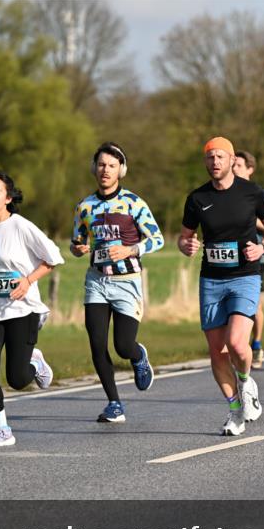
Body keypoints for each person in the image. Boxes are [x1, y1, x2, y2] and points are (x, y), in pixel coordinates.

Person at [180, 137, 264, 435]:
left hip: (245, 276)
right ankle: (235, 411)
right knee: (217, 352)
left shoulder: (253, 193)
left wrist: (263, 249)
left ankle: (247, 382)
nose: (215, 162)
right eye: (210, 158)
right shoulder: (197, 198)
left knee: (237, 343)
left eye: (220, 157)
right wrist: (186, 245)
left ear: (231, 158)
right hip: (211, 280)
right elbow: (184, 236)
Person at [71, 142, 163, 423]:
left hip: (127, 282)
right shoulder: (85, 206)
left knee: (123, 345)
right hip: (96, 282)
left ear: (121, 170)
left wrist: (130, 249)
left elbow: (157, 239)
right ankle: (114, 403)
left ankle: (138, 356)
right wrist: (77, 249)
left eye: (111, 165)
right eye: (101, 165)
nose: (105, 170)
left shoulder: (134, 203)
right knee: (97, 345)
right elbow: (77, 241)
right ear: (94, 169)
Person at [0, 171, 63, 447]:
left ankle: (34, 360)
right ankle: (3, 430)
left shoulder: (20, 226)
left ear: (8, 198)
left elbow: (52, 258)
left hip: (22, 310)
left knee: (18, 378)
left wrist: (27, 280)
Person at [233, 150, 264, 368]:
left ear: (249, 169)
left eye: (239, 165)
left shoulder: (257, 193)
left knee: (254, 307)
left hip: (254, 258)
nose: (235, 168)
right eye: (233, 164)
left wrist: (248, 217)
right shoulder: (224, 191)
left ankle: (256, 344)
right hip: (229, 258)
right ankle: (240, 347)